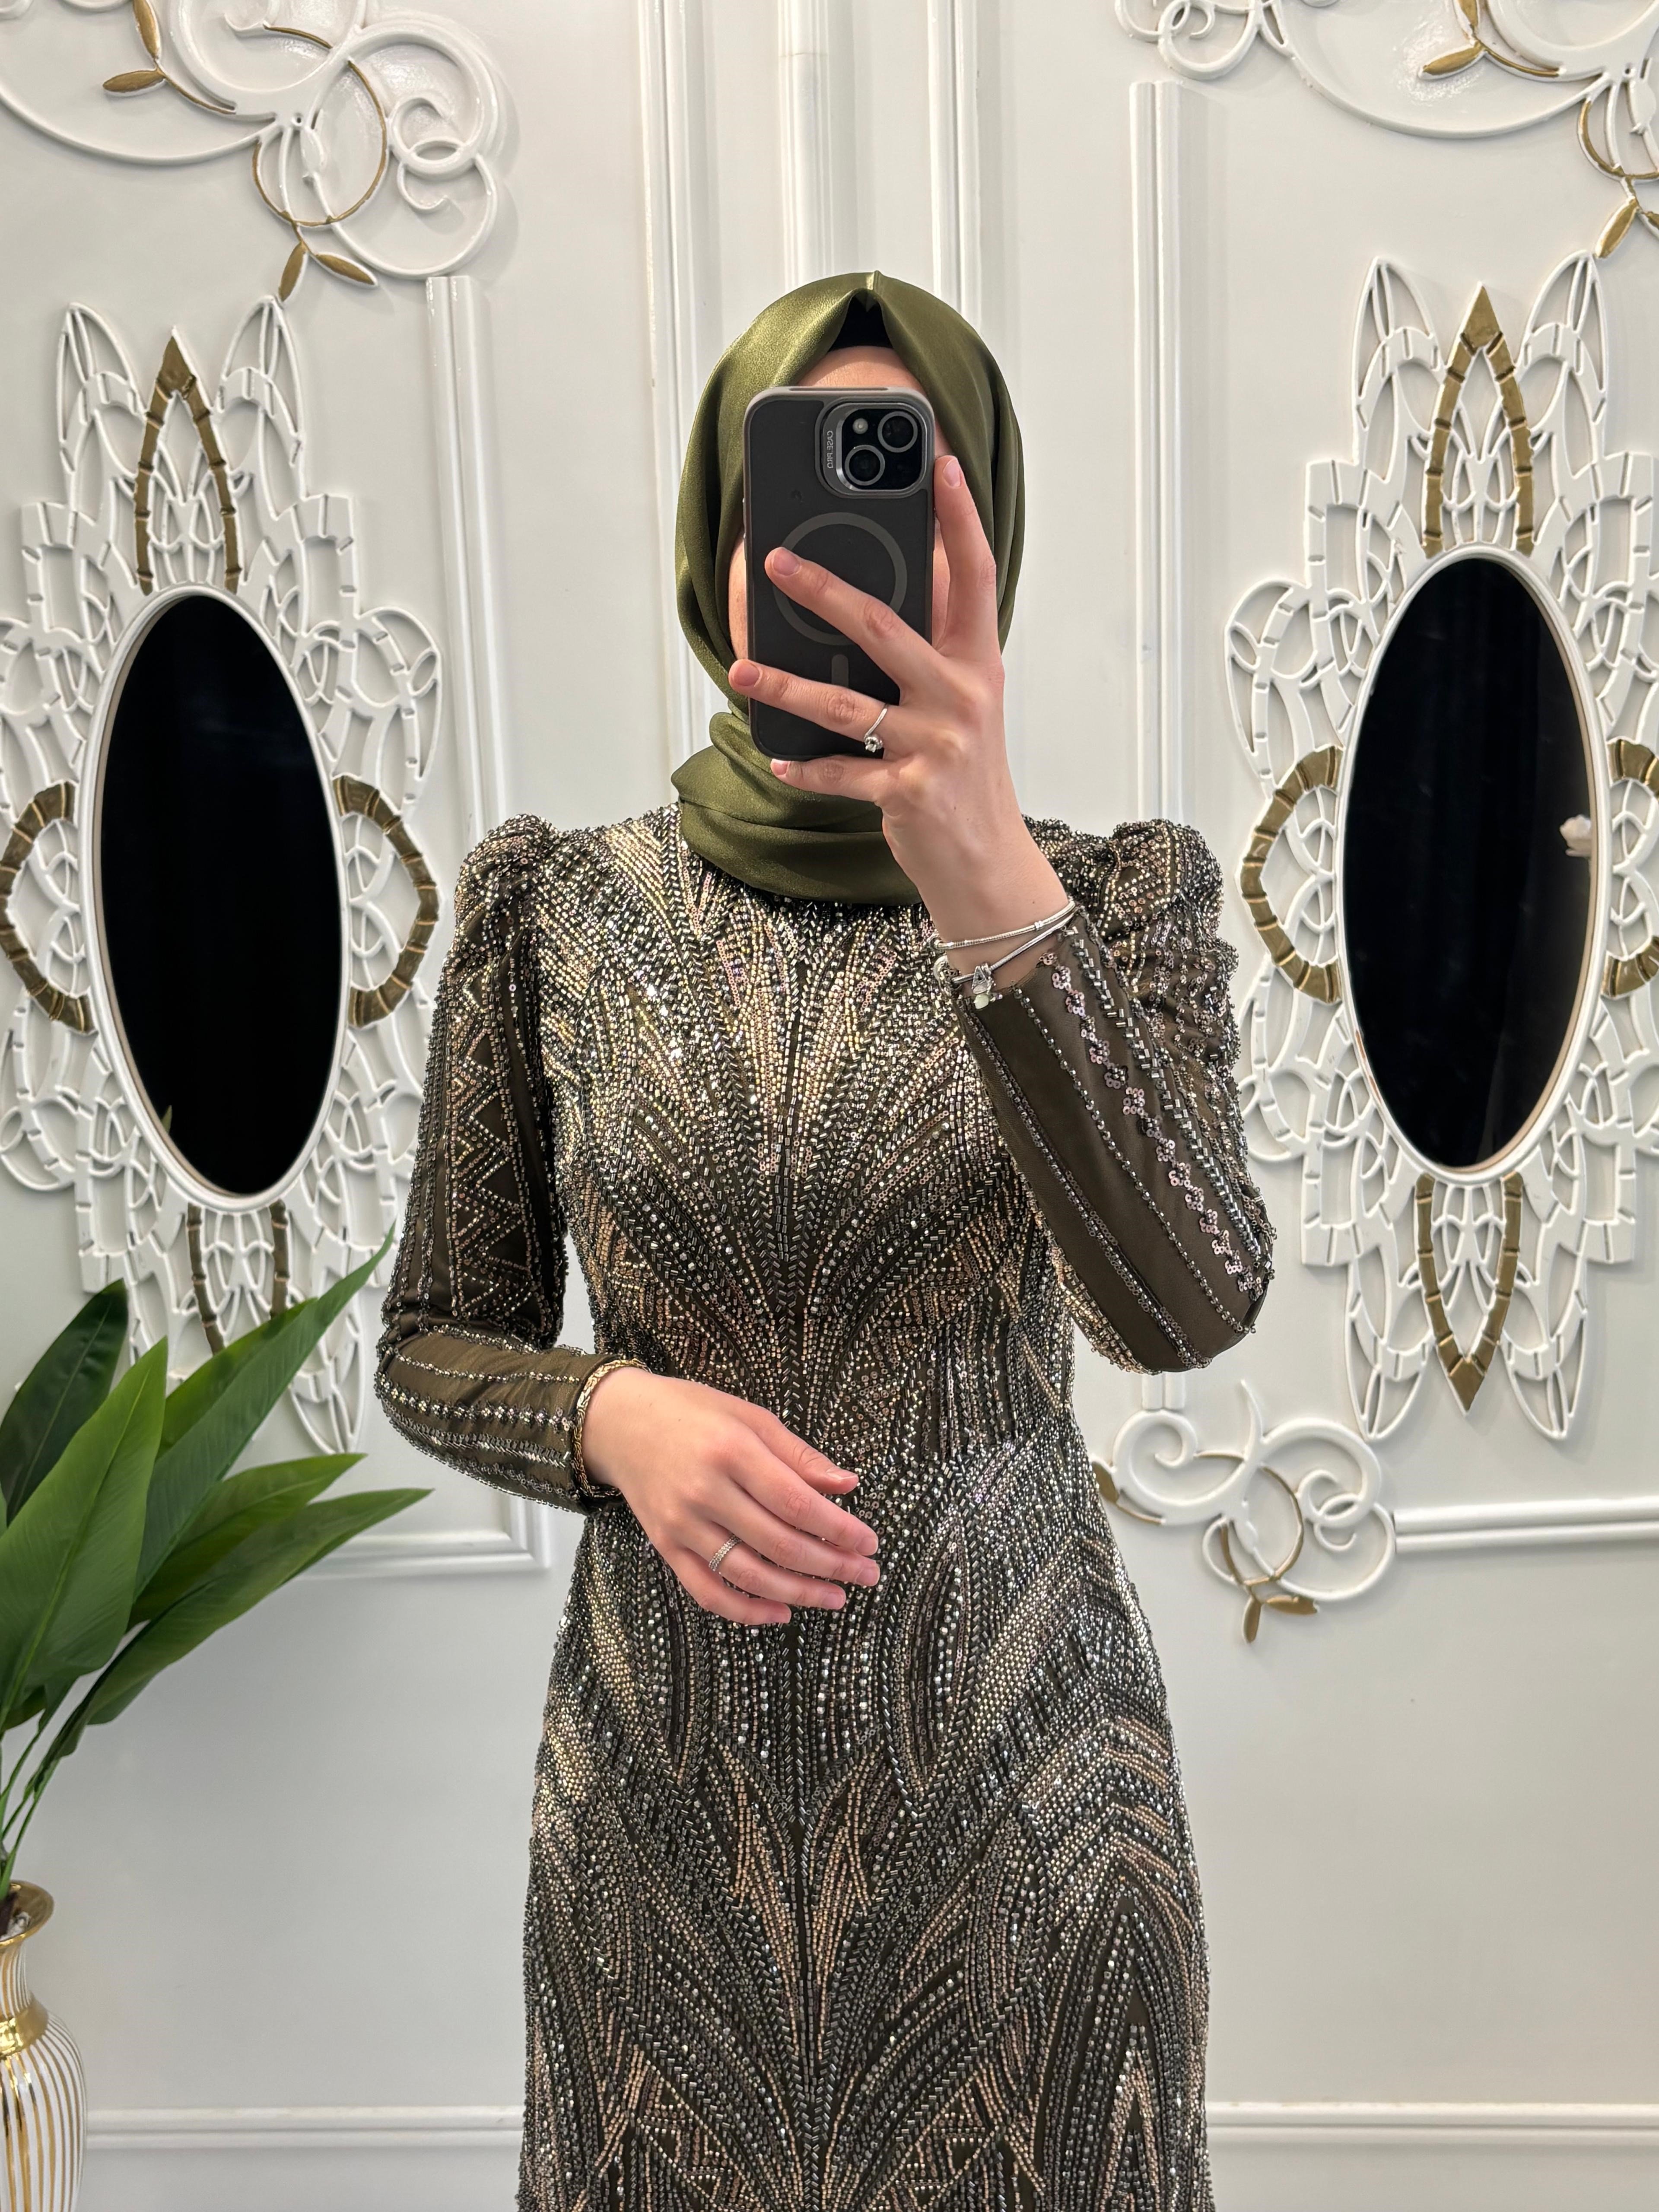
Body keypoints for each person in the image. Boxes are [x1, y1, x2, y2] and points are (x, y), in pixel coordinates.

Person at [376, 270, 1273, 2212]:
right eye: (798, 495)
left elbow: (1186, 1307)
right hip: (660, 1850)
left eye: (908, 494)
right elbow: (431, 1335)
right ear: (721, 547)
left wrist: (993, 892)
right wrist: (607, 1417)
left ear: (985, 544)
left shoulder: (1117, 901)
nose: (848, 557)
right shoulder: (555, 910)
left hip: (1030, 1831)